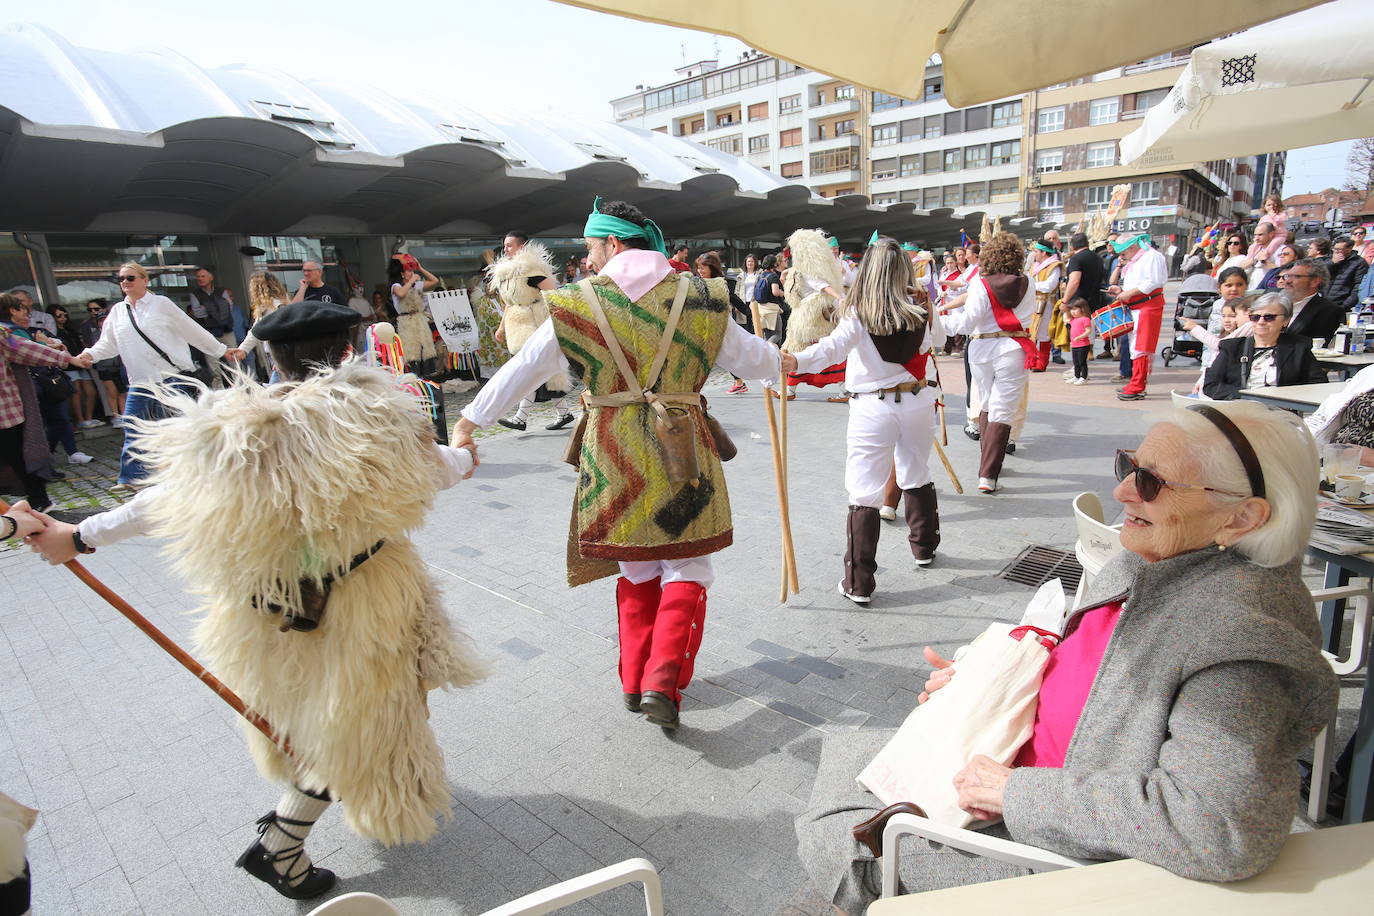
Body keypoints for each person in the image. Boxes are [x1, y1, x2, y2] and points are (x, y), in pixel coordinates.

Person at [18, 300, 487, 900]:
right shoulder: (376, 415)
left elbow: (161, 501)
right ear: (348, 349)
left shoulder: (237, 431)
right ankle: (281, 844)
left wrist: (78, 536)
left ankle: (298, 816)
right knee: (368, 720)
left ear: (269, 355)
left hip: (267, 608)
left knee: (318, 713)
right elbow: (440, 469)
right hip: (366, 601)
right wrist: (468, 454)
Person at [797, 402, 1338, 914]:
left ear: (1241, 518)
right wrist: (986, 684)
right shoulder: (1168, 554)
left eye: (1152, 483)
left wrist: (1014, 792)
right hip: (1017, 767)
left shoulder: (1240, 640)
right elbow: (1089, 662)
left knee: (843, 838)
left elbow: (1216, 827)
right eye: (1130, 464)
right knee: (849, 776)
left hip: (1051, 846)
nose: (1123, 489)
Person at [453, 197, 783, 730]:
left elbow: (523, 370)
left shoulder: (576, 303)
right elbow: (759, 361)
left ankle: (634, 682)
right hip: (685, 449)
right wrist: (806, 361)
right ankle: (663, 680)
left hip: (612, 450)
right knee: (688, 564)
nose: (588, 261)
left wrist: (470, 420)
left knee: (635, 564)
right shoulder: (701, 296)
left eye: (590, 248)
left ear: (611, 243)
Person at [783, 238, 944, 603]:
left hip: (873, 407)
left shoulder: (857, 309)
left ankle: (858, 583)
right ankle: (924, 548)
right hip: (918, 399)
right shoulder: (922, 302)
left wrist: (796, 361)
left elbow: (832, 349)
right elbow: (939, 340)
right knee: (917, 471)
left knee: (864, 491)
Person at [73, 263, 245, 494]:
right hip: (140, 381)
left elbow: (191, 329)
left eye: (131, 277)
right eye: (121, 279)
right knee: (133, 427)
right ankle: (132, 477)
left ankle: (204, 471)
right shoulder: (118, 312)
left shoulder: (161, 304)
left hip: (172, 377)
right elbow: (109, 344)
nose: (125, 282)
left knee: (184, 428)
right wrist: (89, 355)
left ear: (145, 280)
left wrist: (221, 349)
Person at [939, 232, 1033, 493]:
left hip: (981, 348)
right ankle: (988, 475)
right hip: (1014, 347)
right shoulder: (1030, 282)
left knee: (987, 401)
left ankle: (988, 463)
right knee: (1003, 409)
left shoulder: (980, 284)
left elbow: (966, 323)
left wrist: (938, 323)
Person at [1, 302, 91, 511]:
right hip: (7, 412)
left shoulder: (3, 336)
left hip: (6, 413)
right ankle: (38, 501)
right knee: (17, 458)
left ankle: (40, 501)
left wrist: (67, 359)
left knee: (18, 458)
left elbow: (27, 349)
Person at [487, 240, 576, 431]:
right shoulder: (508, 273)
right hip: (519, 328)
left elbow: (554, 292)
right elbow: (510, 304)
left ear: (522, 247)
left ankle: (521, 418)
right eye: (504, 246)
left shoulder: (531, 270)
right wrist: (502, 328)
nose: (505, 249)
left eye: (509, 245)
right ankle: (563, 413)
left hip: (535, 325)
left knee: (531, 370)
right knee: (539, 370)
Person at [1203, 292, 1325, 399]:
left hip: (1280, 411)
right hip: (1241, 409)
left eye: (1269, 317)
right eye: (1255, 317)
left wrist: (1282, 396)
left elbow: (1318, 384)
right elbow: (1211, 385)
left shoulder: (1298, 347)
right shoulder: (1232, 347)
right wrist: (1247, 396)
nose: (1261, 322)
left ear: (1285, 320)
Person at [778, 229, 847, 402]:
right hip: (806, 317)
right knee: (807, 351)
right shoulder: (802, 269)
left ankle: (790, 390)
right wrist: (785, 273)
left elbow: (821, 285)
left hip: (811, 320)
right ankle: (790, 390)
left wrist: (839, 297)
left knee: (805, 351)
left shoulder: (807, 271)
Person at [1106, 234, 1167, 401]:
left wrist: (1128, 293)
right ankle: (1135, 382)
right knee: (1135, 345)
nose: (1121, 257)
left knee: (1142, 346)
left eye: (1123, 253)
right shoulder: (1138, 258)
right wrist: (1122, 292)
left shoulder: (1152, 257)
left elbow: (1152, 282)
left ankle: (1138, 385)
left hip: (1148, 306)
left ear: (1131, 248)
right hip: (1137, 306)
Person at [700, 252, 755, 394]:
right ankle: (738, 381)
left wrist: (750, 313)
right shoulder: (697, 282)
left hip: (719, 325)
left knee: (722, 355)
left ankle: (739, 381)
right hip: (702, 325)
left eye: (703, 268)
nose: (700, 271)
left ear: (712, 268)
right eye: (698, 268)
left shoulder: (720, 284)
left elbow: (734, 299)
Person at [387, 255, 441, 370]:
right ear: (401, 273)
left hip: (420, 321)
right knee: (410, 352)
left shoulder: (417, 285)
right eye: (408, 271)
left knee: (425, 351)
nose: (411, 273)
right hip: (406, 323)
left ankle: (426, 377)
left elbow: (435, 281)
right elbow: (401, 293)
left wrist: (420, 268)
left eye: (412, 270)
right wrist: (411, 280)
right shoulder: (396, 286)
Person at [238, 270, 291, 383]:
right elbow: (256, 331)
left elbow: (284, 335)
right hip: (278, 357)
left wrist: (280, 361)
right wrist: (243, 349)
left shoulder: (274, 308)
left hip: (280, 357)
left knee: (275, 392)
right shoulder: (270, 307)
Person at [1283, 258, 1344, 345]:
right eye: (1287, 276)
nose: (1288, 281)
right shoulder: (1276, 304)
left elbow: (1317, 346)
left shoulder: (1328, 310)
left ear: (1315, 281)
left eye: (1297, 276)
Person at [1027, 241, 1061, 372]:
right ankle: (1032, 360)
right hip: (1032, 302)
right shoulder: (1035, 266)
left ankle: (1042, 362)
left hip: (1046, 304)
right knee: (1031, 333)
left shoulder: (1054, 266)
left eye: (1036, 251)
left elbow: (1049, 286)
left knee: (1043, 334)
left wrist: (1031, 286)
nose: (1034, 254)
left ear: (1044, 252)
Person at [186, 266, 237, 349]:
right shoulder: (194, 294)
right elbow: (197, 313)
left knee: (234, 357)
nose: (200, 279)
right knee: (212, 360)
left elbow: (229, 308)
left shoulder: (222, 290)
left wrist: (207, 307)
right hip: (208, 332)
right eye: (198, 277)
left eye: (203, 276)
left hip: (226, 329)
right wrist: (218, 306)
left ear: (211, 278)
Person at [1327, 237, 1369, 309]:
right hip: (1325, 302)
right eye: (1335, 249)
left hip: (1341, 303)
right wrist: (1332, 263)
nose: (1336, 252)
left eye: (1339, 249)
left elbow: (1359, 286)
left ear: (1349, 249)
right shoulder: (1329, 259)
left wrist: (1345, 305)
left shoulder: (1359, 262)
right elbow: (1319, 275)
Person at [1065, 299, 1092, 384]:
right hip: (1074, 345)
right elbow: (1066, 317)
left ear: (1082, 309)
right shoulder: (1072, 320)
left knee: (1082, 362)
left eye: (1075, 309)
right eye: (1072, 309)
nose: (1073, 312)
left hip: (1083, 344)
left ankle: (1084, 377)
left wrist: (1080, 337)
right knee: (1076, 362)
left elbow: (1088, 331)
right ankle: (1076, 376)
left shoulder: (1085, 319)